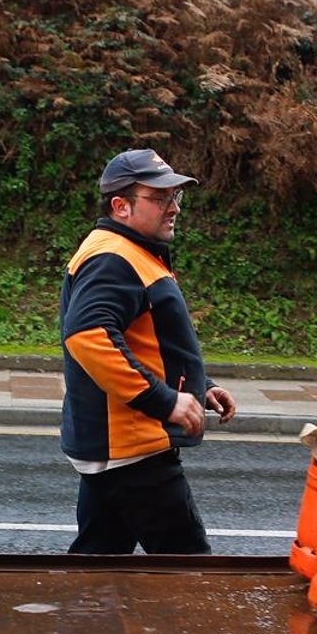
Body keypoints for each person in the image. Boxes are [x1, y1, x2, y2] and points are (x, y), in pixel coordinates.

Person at [58, 148, 236, 554]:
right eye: (159, 198)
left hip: (120, 449)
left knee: (100, 570)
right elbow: (89, 337)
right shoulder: (113, 258)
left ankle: (81, 616)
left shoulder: (130, 252)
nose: (173, 208)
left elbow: (148, 338)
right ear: (120, 206)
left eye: (175, 197)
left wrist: (198, 386)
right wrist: (164, 401)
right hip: (134, 449)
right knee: (187, 572)